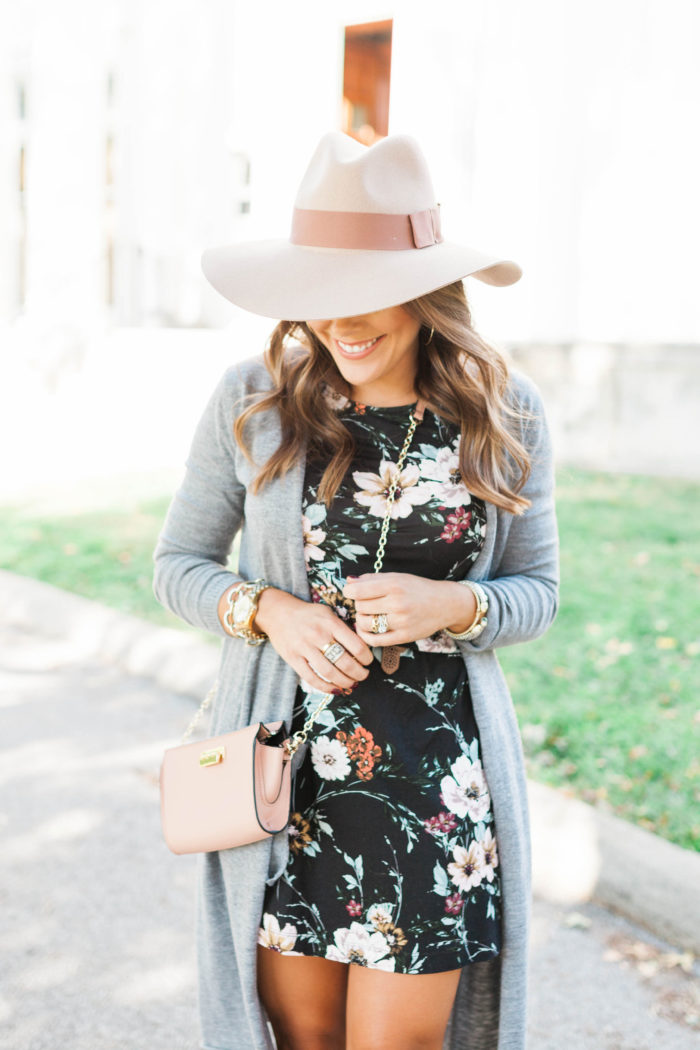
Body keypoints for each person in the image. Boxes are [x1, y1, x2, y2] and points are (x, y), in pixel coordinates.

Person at [153, 131, 559, 1050]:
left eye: (365, 290)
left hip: (436, 792)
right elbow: (177, 564)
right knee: (302, 1039)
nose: (339, 321)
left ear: (426, 292)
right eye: (318, 294)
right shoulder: (251, 400)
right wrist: (268, 609)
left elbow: (538, 589)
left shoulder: (505, 411)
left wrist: (456, 606)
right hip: (282, 784)